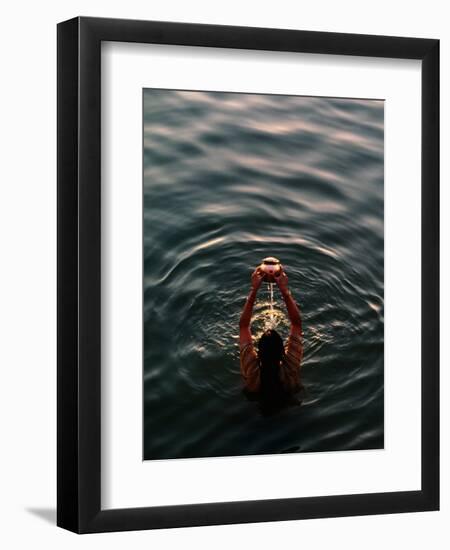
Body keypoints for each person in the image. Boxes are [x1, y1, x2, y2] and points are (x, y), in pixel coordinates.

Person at [239, 265, 303, 404]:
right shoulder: (290, 369)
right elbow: (297, 323)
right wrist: (285, 291)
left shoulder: (252, 372)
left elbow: (243, 326)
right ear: (283, 352)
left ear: (258, 354)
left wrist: (254, 289)